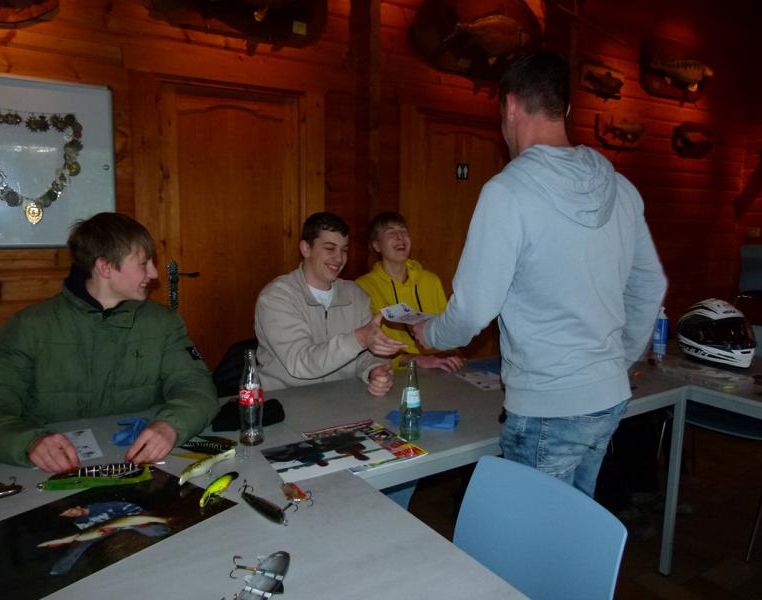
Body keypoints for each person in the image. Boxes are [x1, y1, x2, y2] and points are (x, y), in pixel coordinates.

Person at [415, 51, 667, 497]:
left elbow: (473, 310)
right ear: (565, 109)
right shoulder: (622, 188)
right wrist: (617, 362)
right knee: (570, 523)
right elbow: (650, 284)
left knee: (534, 535)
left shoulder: (507, 192)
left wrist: (430, 332)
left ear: (511, 105)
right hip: (607, 398)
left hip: (549, 407)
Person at [0, 212, 219, 472]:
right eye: (144, 263)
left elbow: (197, 387)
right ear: (105, 267)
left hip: (143, 466)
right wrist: (29, 442)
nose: (154, 273)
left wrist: (170, 426)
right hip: (45, 472)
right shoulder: (29, 327)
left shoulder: (163, 323)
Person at [254, 212, 405, 396]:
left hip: (341, 400)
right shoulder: (276, 296)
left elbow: (367, 355)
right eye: (330, 248)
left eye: (344, 250)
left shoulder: (356, 295)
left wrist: (375, 370)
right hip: (285, 402)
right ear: (306, 249)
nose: (339, 258)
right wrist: (359, 338)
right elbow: (300, 362)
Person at [356, 212, 463, 372]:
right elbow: (368, 351)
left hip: (441, 366)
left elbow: (446, 329)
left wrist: (449, 354)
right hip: (396, 373)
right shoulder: (363, 287)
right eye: (391, 232)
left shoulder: (431, 280)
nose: (400, 237)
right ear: (376, 245)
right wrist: (416, 360)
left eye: (404, 231)